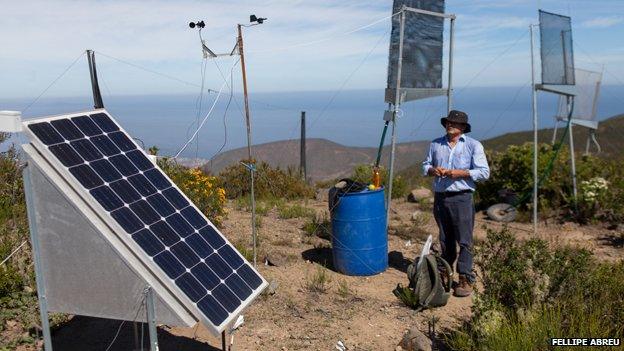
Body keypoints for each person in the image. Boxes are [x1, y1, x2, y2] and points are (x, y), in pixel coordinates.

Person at [422, 110, 490, 297]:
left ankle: (465, 277)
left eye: (454, 123)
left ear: (462, 128)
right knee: (445, 238)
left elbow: (484, 172)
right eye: (448, 122)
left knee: (465, 240)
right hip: (441, 197)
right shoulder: (436, 144)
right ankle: (445, 273)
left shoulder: (473, 145)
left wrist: (460, 173)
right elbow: (425, 165)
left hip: (462, 197)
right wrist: (433, 170)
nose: (450, 125)